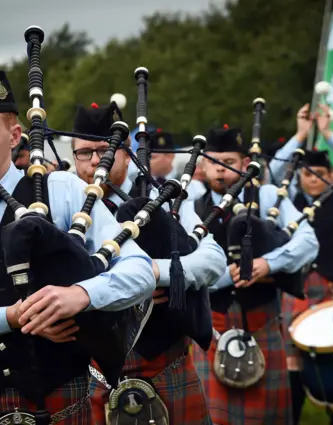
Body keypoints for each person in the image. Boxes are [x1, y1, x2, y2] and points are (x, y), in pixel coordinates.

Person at [0, 70, 156, 425]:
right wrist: (10, 317)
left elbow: (139, 271)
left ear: (15, 135)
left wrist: (82, 294)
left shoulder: (62, 190)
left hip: (62, 404)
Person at [71, 101, 224, 425]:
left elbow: (212, 260)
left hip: (164, 365)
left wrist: (155, 274)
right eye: (84, 152)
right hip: (88, 373)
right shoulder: (62, 203)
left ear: (126, 152)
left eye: (105, 149)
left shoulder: (166, 197)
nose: (96, 160)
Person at [192, 124, 319, 425]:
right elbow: (186, 267)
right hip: (212, 328)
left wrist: (267, 264)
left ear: (245, 163)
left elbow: (308, 242)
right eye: (213, 162)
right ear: (203, 164)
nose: (220, 171)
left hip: (262, 324)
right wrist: (227, 276)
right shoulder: (191, 205)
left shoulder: (267, 196)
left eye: (229, 163)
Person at [270, 103, 333, 425]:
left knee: (332, 354)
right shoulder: (284, 199)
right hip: (295, 289)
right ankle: (292, 417)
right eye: (307, 174)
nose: (313, 180)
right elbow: (272, 169)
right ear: (299, 176)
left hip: (332, 288)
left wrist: (327, 134)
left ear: (329, 177)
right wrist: (300, 134)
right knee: (292, 360)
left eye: (320, 174)